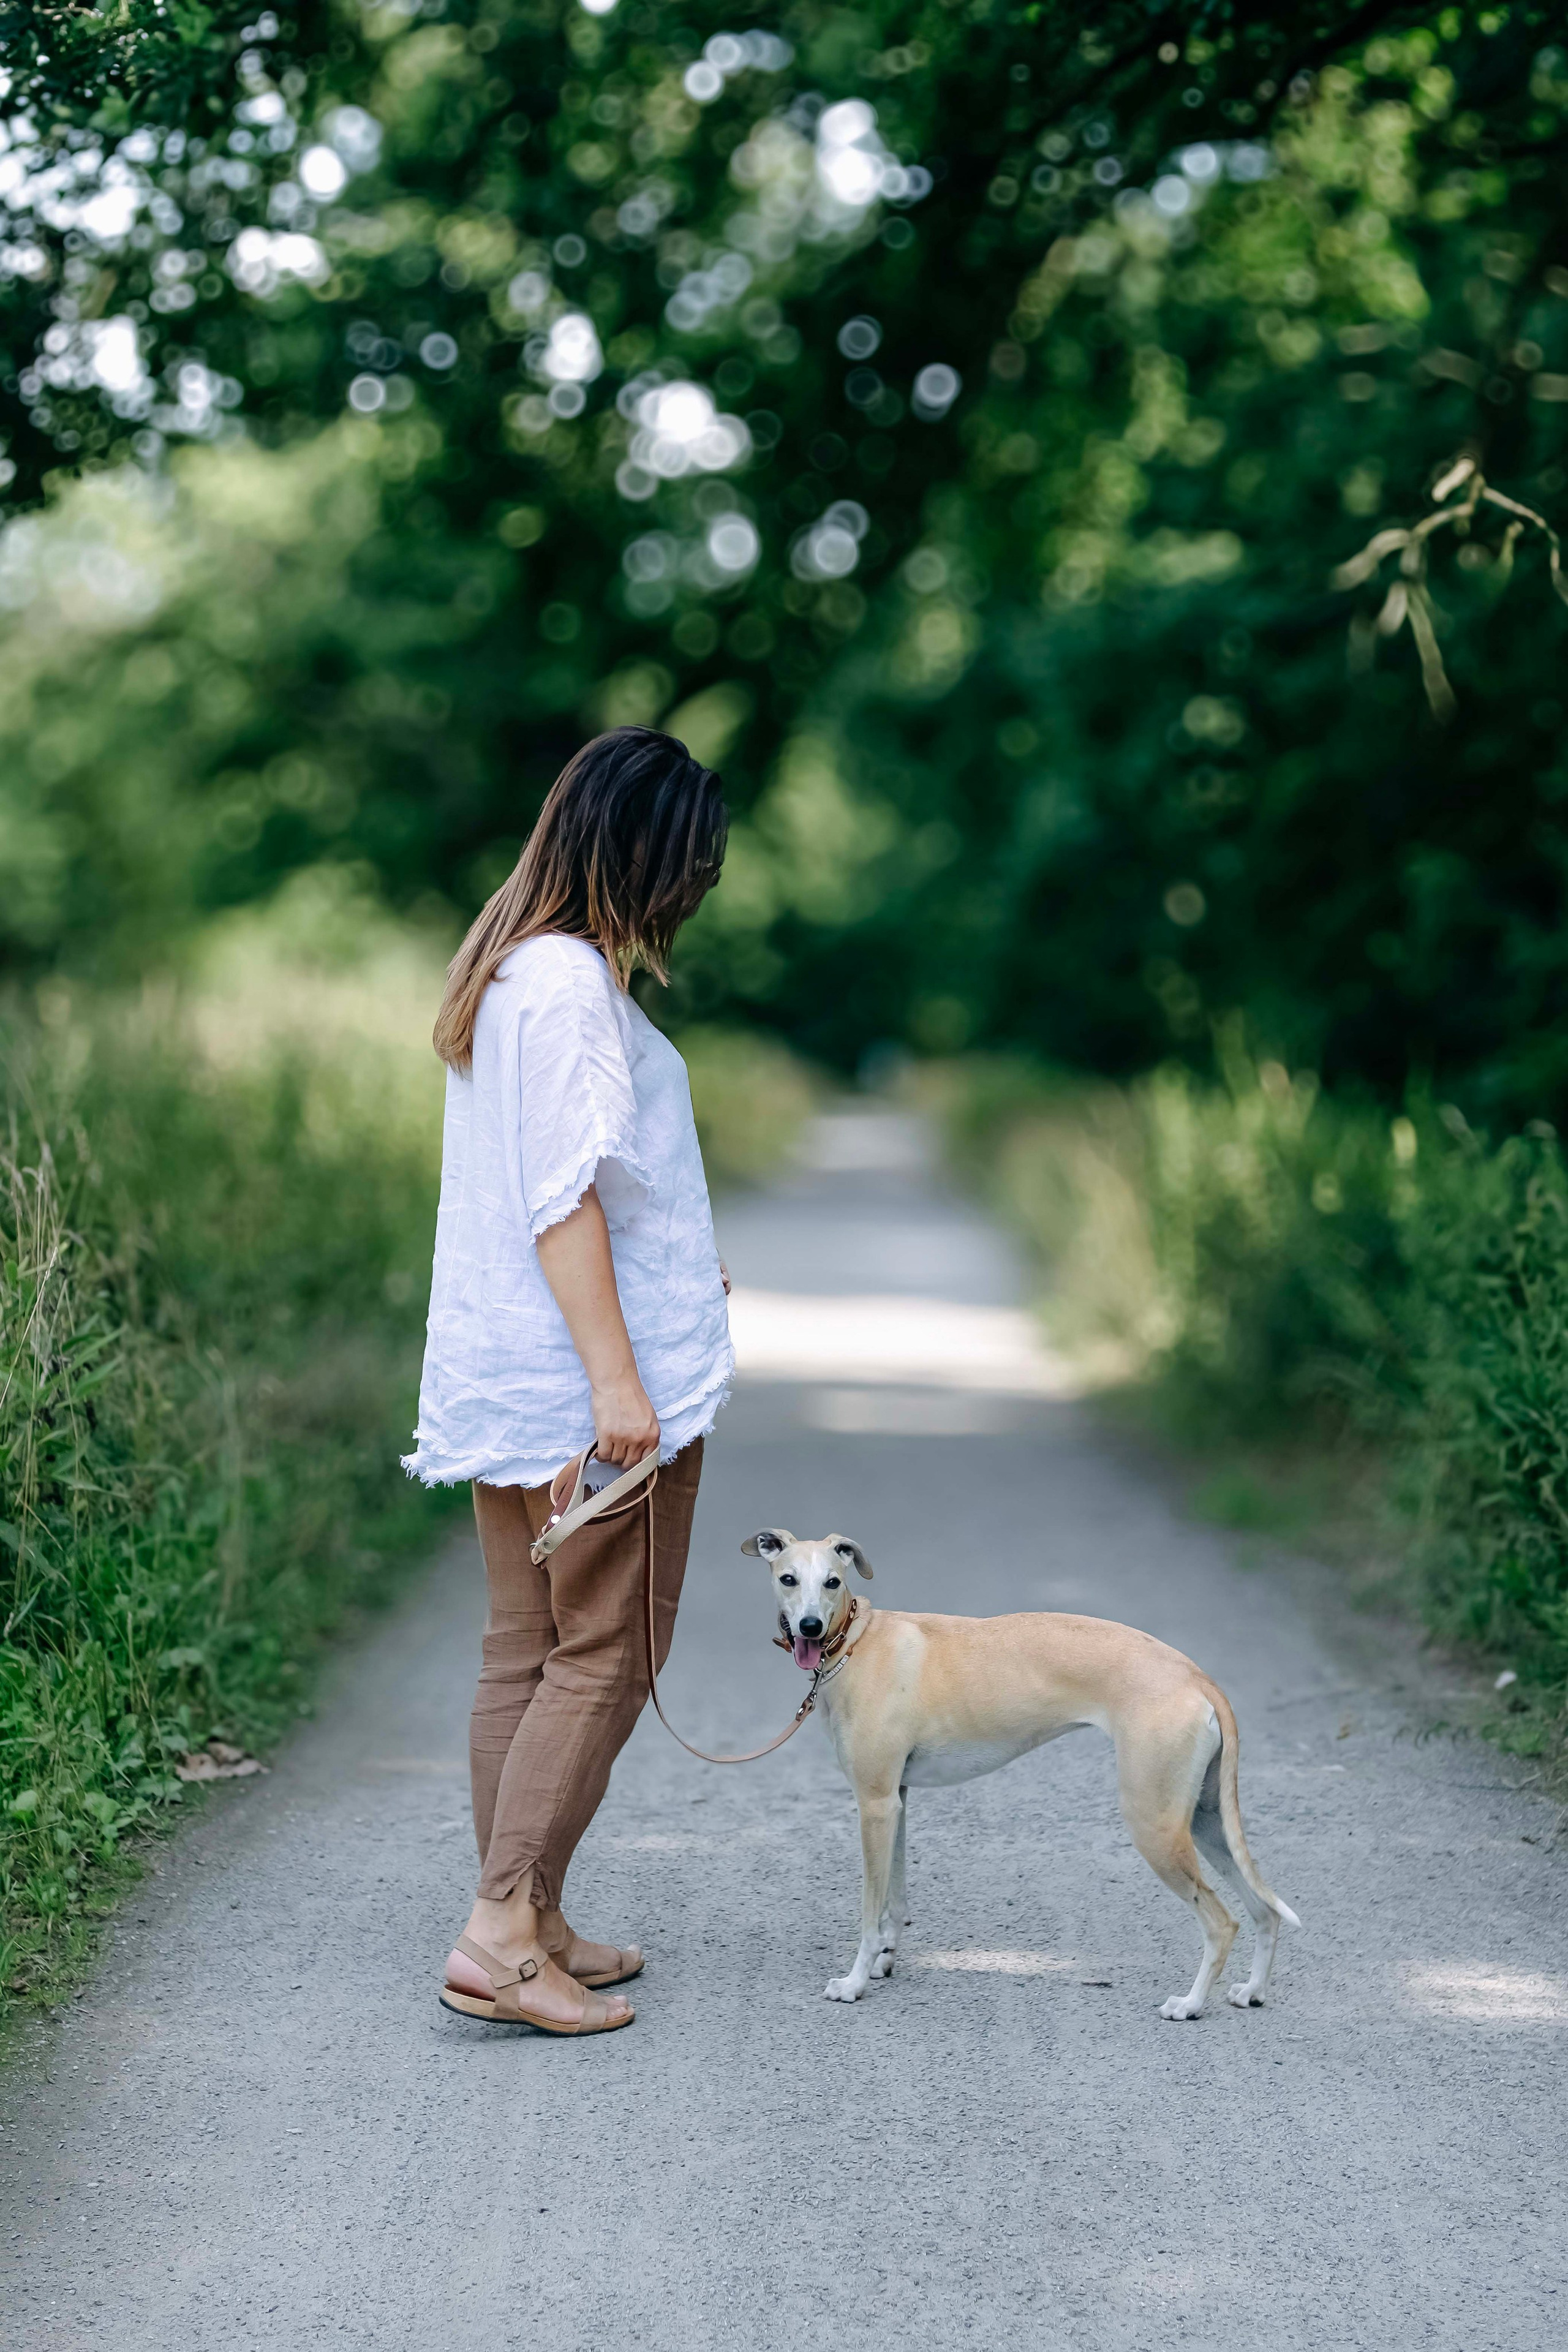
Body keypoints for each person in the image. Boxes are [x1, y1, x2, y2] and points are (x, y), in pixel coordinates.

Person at [404, 727, 733, 2035]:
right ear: (645, 853)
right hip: (580, 1384)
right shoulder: (568, 989)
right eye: (689, 864)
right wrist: (619, 1381)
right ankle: (498, 1931)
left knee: (524, 1650)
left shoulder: (513, 974)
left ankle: (530, 1917)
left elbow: (586, 1187)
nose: (695, 891)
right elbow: (561, 1203)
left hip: (509, 1370)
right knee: (603, 1650)